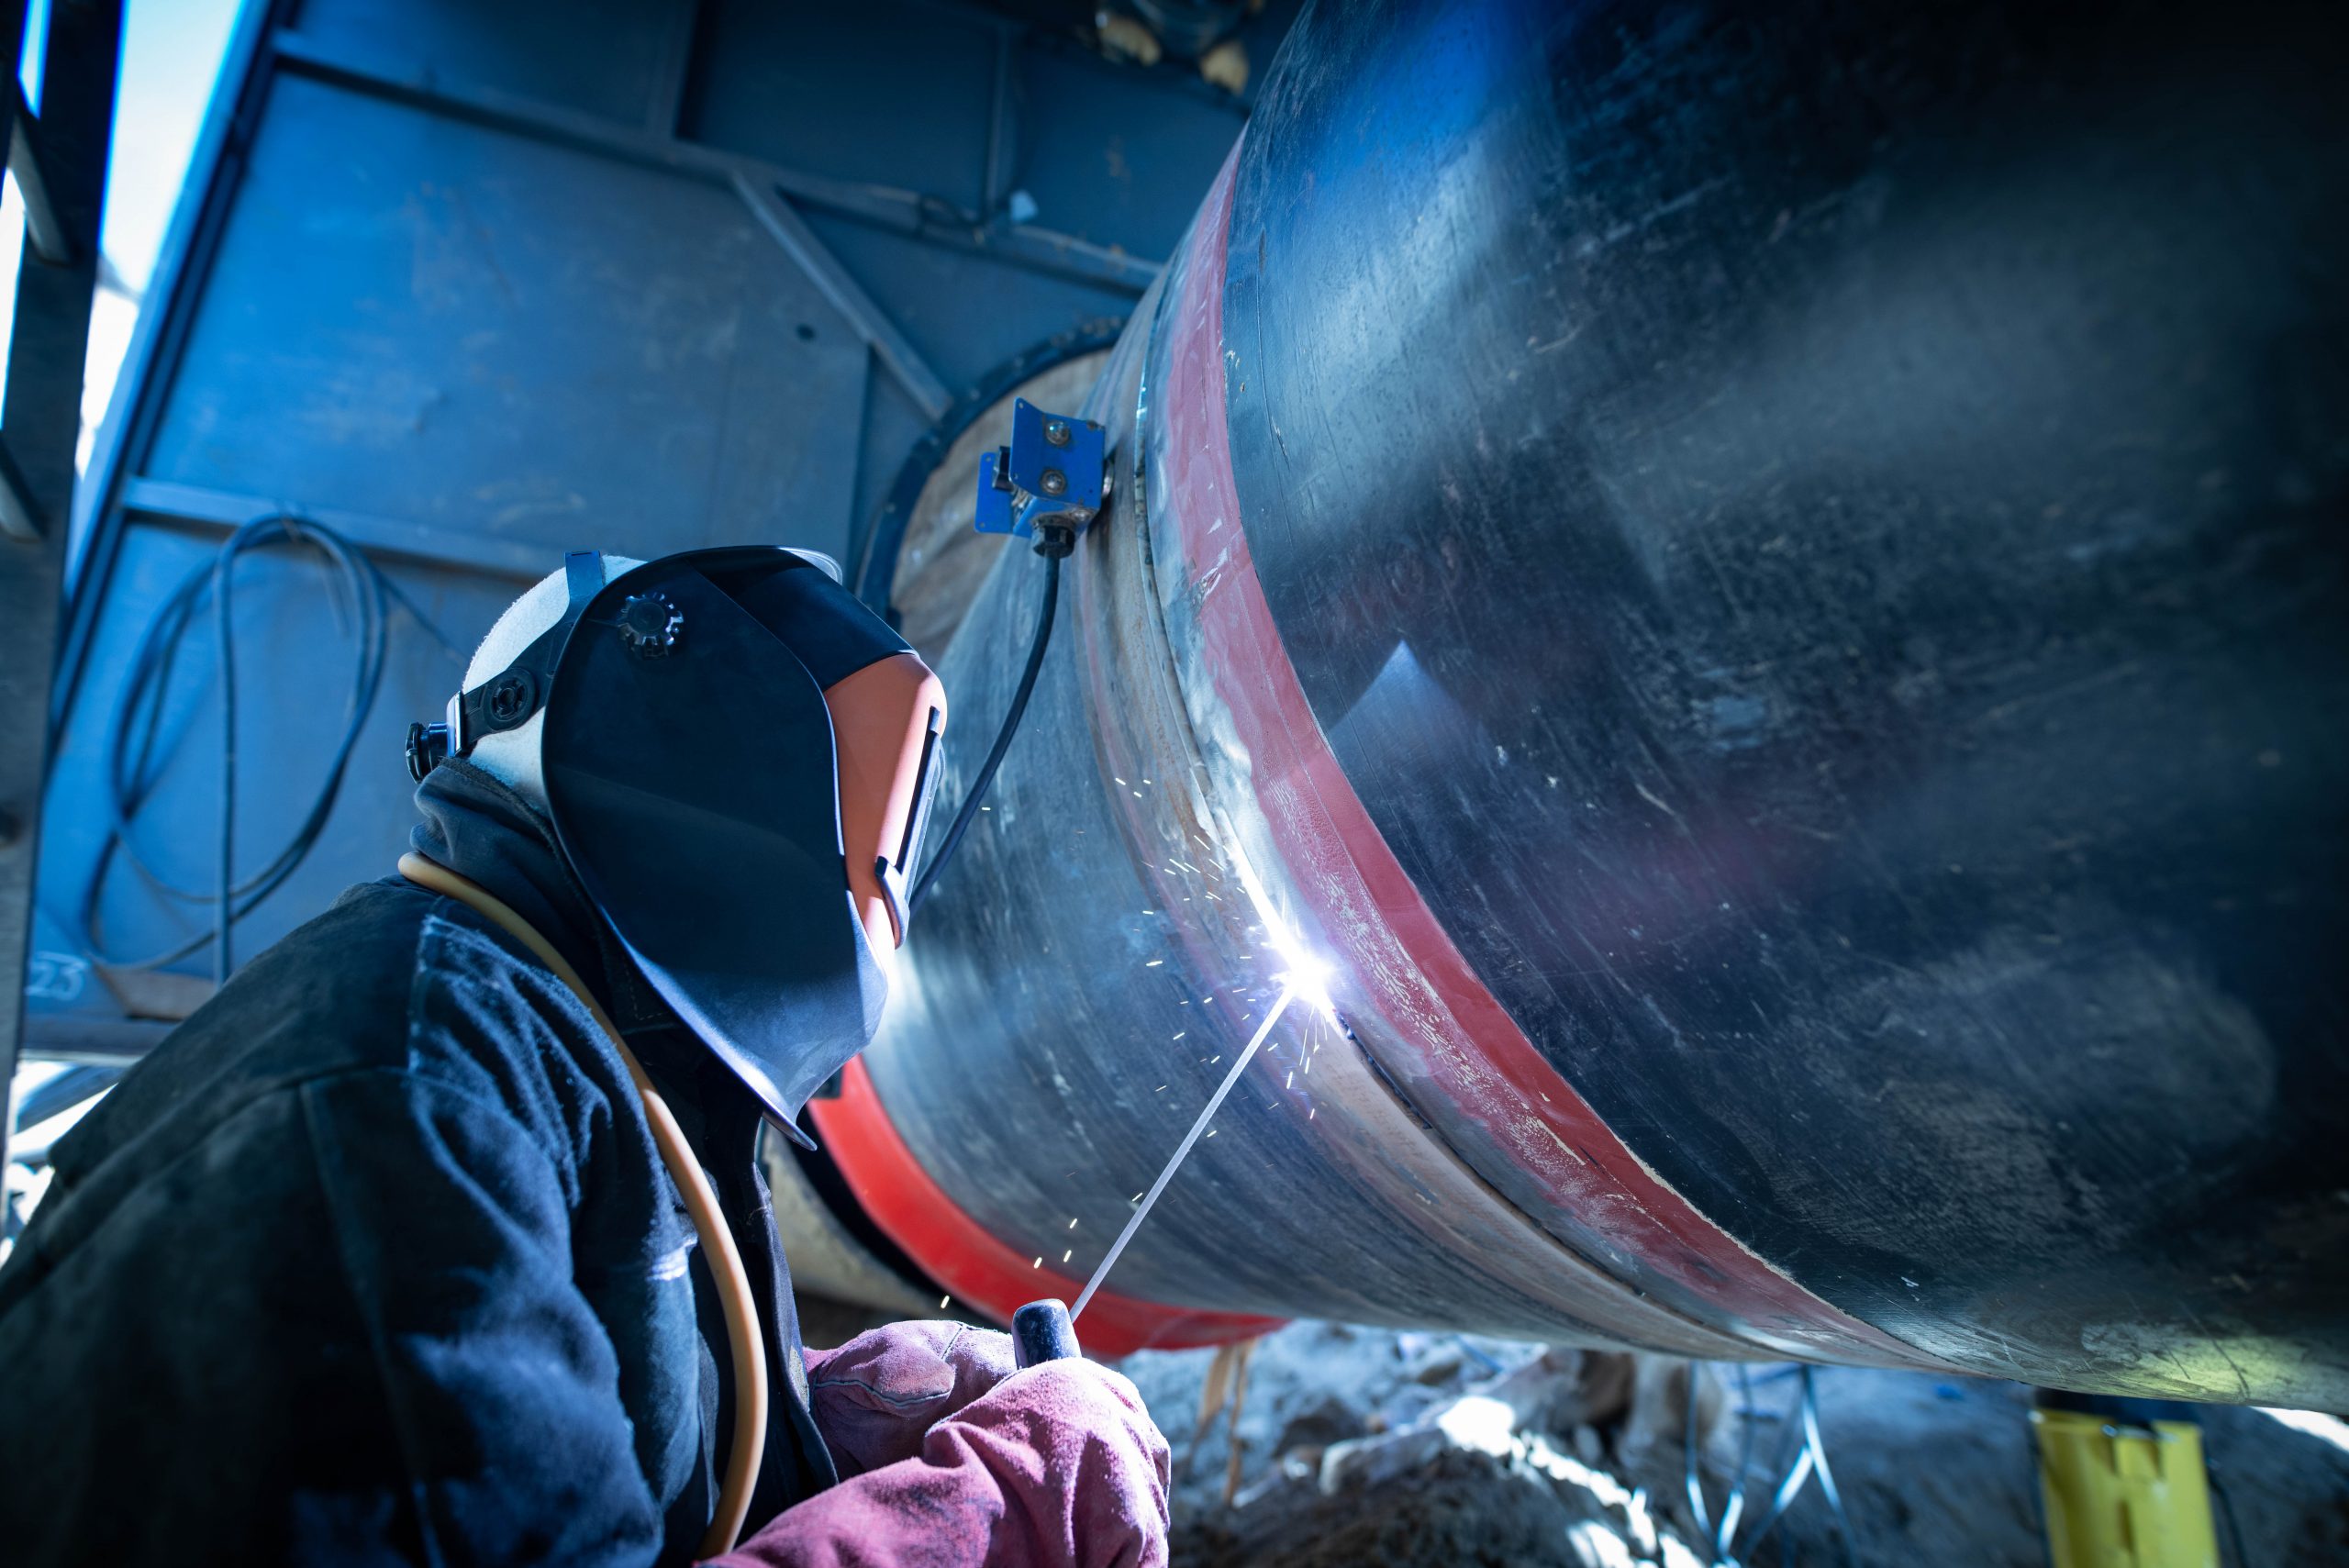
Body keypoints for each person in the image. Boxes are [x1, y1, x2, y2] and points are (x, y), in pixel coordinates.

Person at [0, 548, 1170, 1566]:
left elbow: (551, 1441)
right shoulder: (405, 1090)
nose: (885, 880)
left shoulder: (561, 1038)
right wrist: (1006, 1509)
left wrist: (808, 1411)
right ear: (724, 749)